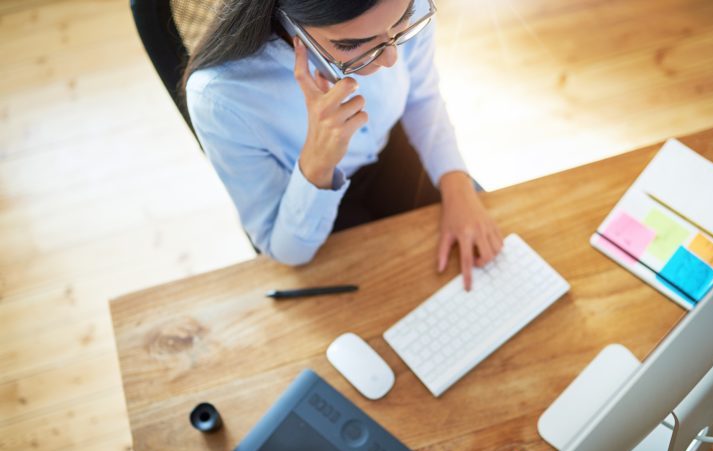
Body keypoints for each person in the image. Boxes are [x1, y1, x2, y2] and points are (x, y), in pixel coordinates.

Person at [184, 0, 503, 289]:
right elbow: (285, 250)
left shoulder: (397, 10)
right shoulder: (220, 98)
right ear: (287, 21)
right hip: (307, 203)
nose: (391, 58)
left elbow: (422, 97)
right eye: (353, 44)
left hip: (397, 151)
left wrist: (457, 186)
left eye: (402, 20)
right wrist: (317, 161)